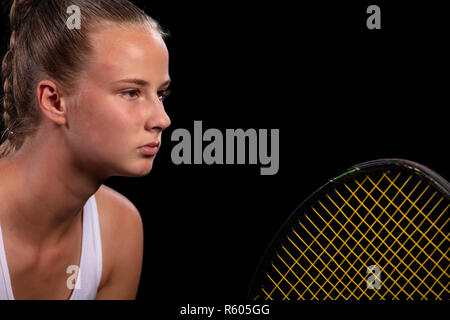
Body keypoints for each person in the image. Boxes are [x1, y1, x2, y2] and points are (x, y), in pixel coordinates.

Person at [0, 0, 172, 299]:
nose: (162, 119)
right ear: (54, 101)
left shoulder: (118, 230)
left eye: (160, 94)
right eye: (131, 92)